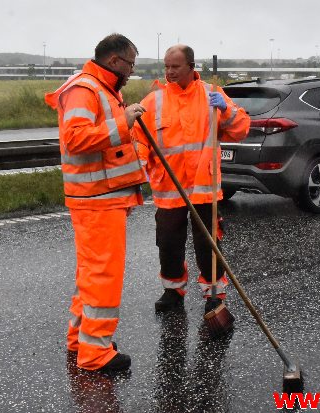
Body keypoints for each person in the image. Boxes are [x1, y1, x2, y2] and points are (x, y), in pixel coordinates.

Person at [44, 33, 147, 372]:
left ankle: (82, 340)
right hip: (96, 201)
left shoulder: (103, 89)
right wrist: (124, 121)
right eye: (130, 64)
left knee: (91, 276)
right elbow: (75, 139)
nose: (131, 71)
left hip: (103, 198)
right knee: (103, 276)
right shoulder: (85, 89)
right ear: (115, 61)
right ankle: (96, 354)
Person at [133, 45, 250, 314]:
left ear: (191, 67)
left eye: (175, 66)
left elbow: (241, 128)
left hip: (203, 185)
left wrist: (227, 111)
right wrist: (137, 171)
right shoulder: (153, 101)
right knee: (168, 241)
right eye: (166, 66)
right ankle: (173, 291)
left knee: (207, 242)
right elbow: (140, 141)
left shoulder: (212, 95)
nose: (169, 72)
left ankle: (214, 295)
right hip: (168, 186)